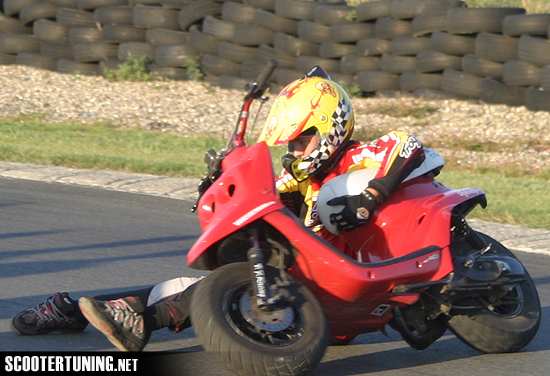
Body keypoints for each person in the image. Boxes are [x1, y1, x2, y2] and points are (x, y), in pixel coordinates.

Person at [11, 67, 425, 352]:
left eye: (301, 141)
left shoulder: (361, 154)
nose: (294, 151)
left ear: (330, 126)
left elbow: (409, 145)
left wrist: (372, 195)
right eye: (291, 144)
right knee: (206, 284)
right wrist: (223, 184)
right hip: (318, 287)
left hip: (359, 276)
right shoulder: (300, 180)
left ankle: (137, 320)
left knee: (217, 291)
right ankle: (76, 308)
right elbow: (264, 199)